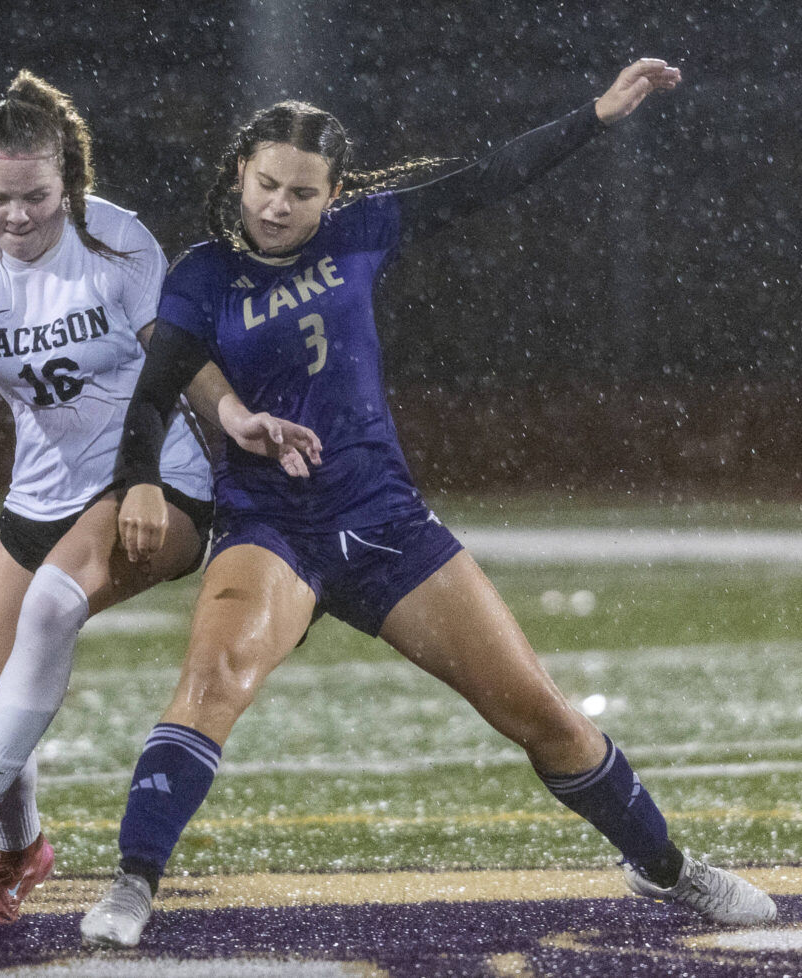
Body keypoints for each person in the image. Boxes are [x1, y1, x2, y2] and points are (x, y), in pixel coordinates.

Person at [78, 58, 777, 948]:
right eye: (265, 184)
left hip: (387, 520)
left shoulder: (366, 230)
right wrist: (138, 476)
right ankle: (133, 887)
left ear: (333, 195)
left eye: (301, 191)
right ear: (239, 174)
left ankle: (667, 868)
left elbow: (487, 179)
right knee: (211, 683)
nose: (278, 206)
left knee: (543, 715)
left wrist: (593, 118)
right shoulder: (206, 274)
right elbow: (151, 394)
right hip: (271, 524)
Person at [0, 70, 320, 926]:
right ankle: (22, 851)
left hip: (155, 477)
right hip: (41, 493)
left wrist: (223, 422)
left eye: (37, 198)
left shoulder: (117, 241)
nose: (17, 217)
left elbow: (175, 361)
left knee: (52, 604)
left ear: (68, 185)